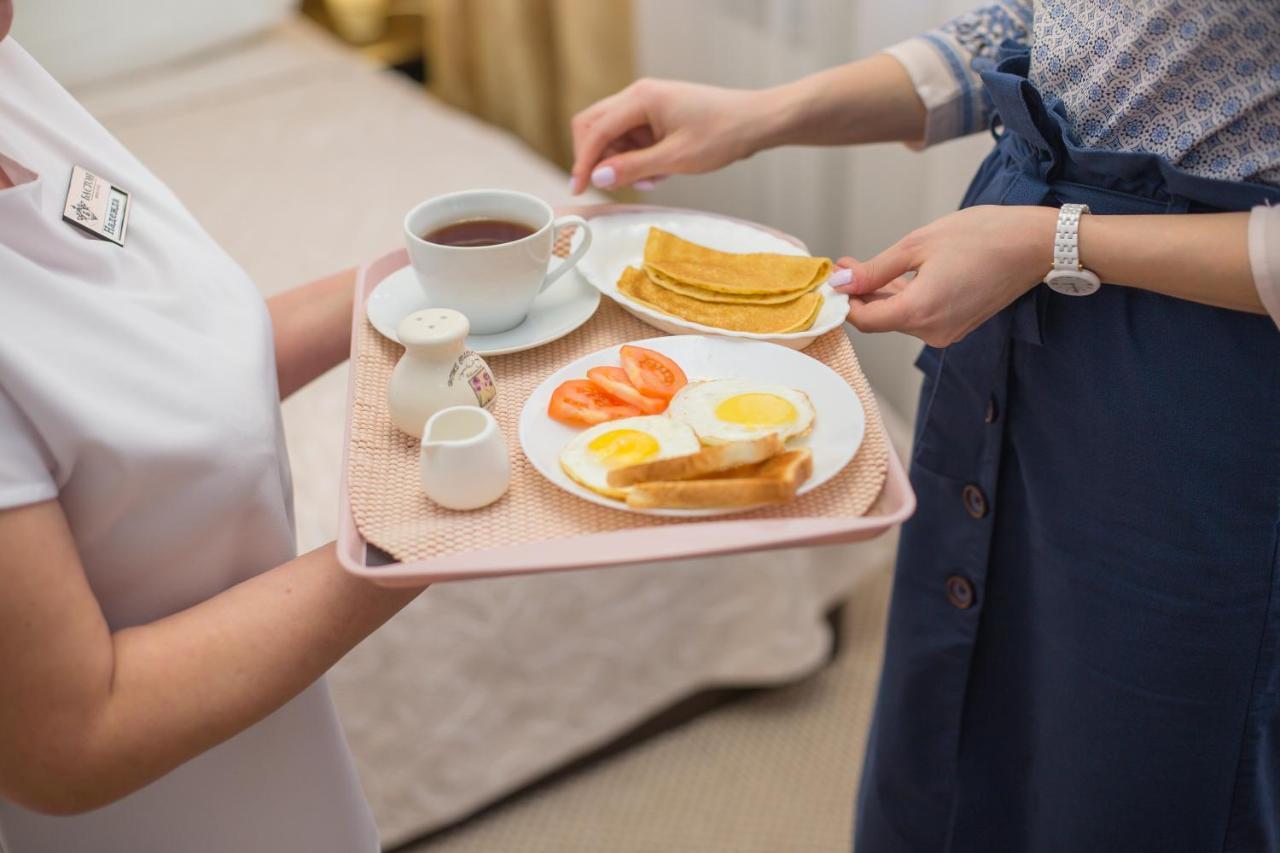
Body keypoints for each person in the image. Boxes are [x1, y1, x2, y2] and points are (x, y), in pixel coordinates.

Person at [569, 3, 1280, 850]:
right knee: (959, 702)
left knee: (1139, 762)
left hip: (1192, 377)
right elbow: (1047, 30)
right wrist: (762, 115)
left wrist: (1054, 241)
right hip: (1009, 292)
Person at [0, 4, 428, 850]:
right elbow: (72, 741)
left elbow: (158, 372)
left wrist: (426, 281)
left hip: (277, 785)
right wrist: (424, 527)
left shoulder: (12, 80)